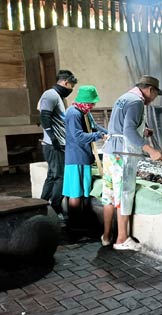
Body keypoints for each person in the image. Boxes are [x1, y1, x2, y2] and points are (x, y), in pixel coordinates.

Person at [101, 75, 162, 251]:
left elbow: (121, 126)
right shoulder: (136, 102)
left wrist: (143, 131)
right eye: (155, 95)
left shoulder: (123, 98)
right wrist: (151, 150)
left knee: (109, 195)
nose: (153, 99)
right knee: (124, 194)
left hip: (109, 152)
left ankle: (106, 236)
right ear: (149, 90)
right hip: (122, 155)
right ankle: (121, 239)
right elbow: (128, 131)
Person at [62, 85, 108, 229]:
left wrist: (109, 133)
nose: (93, 105)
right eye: (91, 103)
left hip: (85, 156)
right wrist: (98, 136)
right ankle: (74, 225)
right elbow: (78, 136)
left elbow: (93, 127)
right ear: (84, 101)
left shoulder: (85, 112)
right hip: (75, 157)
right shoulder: (74, 113)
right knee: (75, 192)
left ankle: (83, 222)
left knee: (83, 191)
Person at [38, 70, 78, 221]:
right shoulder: (50, 94)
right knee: (60, 176)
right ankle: (55, 208)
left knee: (52, 176)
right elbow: (44, 116)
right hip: (54, 145)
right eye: (71, 86)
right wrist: (53, 138)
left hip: (58, 143)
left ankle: (41, 205)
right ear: (66, 82)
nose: (71, 89)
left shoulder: (58, 97)